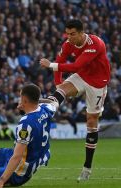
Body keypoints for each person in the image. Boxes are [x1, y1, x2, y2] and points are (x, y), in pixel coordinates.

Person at [40, 19, 110, 181]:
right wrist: (59, 84)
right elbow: (61, 62)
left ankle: (87, 167)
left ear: (81, 32)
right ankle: (47, 111)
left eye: (72, 34)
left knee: (91, 122)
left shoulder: (96, 44)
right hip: (82, 76)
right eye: (67, 34)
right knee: (62, 89)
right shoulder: (67, 44)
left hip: (98, 83)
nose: (69, 37)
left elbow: (76, 65)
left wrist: (50, 65)